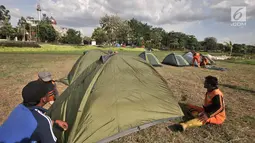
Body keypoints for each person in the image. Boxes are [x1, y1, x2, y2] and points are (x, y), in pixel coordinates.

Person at [0, 80, 68, 143]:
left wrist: (52, 122)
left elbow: (30, 123)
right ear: (44, 99)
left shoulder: (19, 108)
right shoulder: (42, 121)